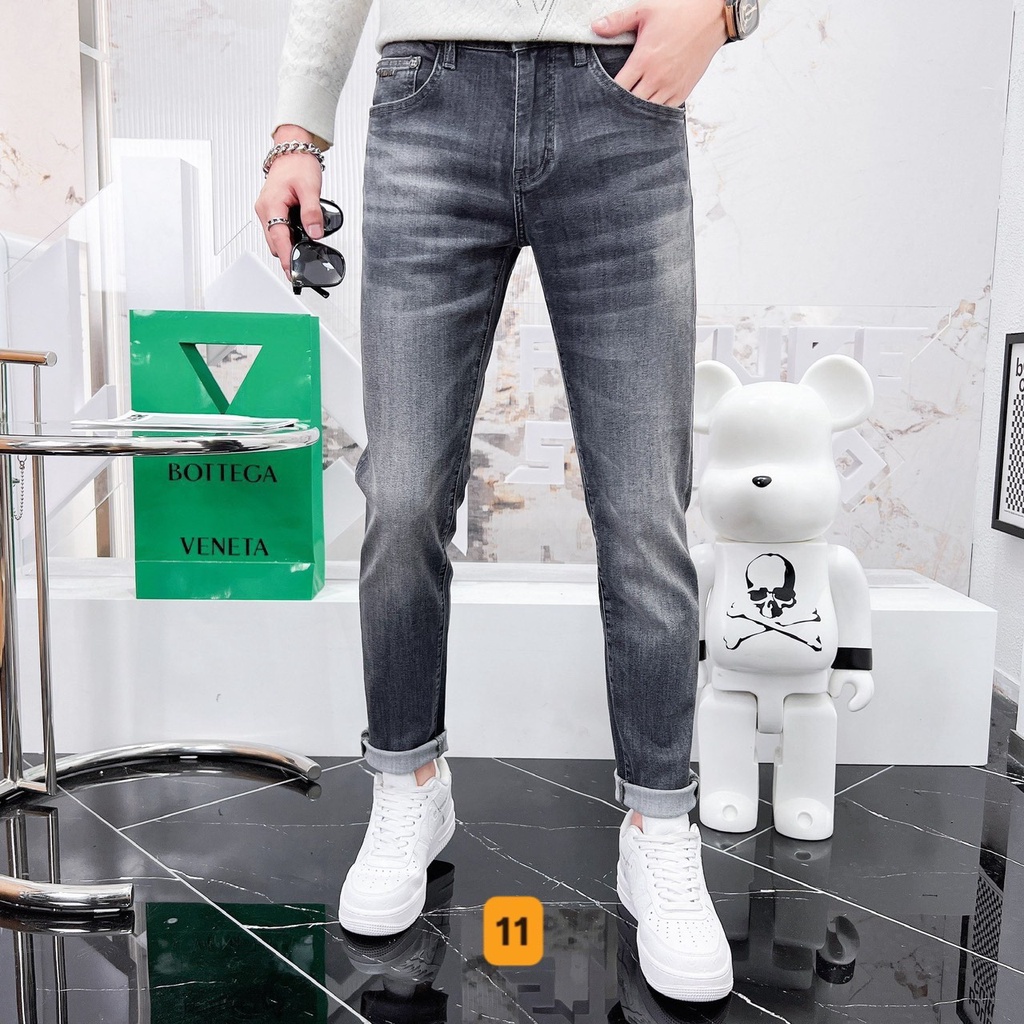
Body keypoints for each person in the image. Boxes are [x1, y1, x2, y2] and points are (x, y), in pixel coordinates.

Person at [256, 0, 761, 1004]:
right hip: (430, 104)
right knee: (402, 494)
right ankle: (408, 786)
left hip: (617, 101)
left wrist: (724, 11)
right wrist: (296, 130)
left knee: (644, 506)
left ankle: (657, 826)